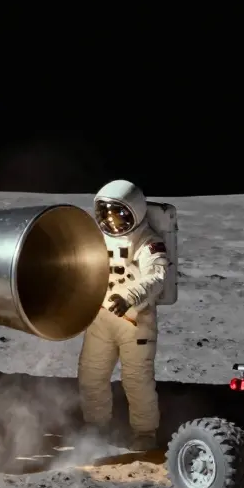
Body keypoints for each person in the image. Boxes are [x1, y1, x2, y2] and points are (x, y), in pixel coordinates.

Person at [77, 179, 170, 452]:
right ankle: (96, 428)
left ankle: (144, 434)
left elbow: (156, 277)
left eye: (118, 214)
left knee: (136, 380)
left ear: (134, 212)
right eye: (105, 214)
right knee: (91, 375)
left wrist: (129, 296)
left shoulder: (148, 243)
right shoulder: (96, 239)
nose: (111, 220)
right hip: (102, 318)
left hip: (135, 323)